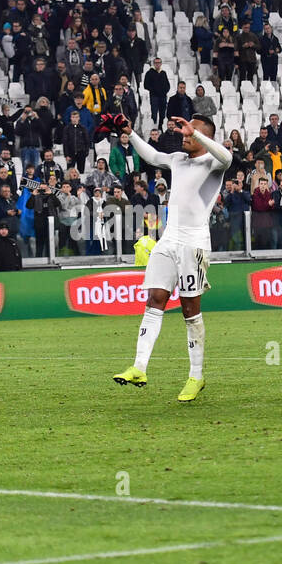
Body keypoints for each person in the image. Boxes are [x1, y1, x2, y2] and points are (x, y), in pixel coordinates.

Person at [112, 115, 232, 401]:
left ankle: (196, 376)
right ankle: (139, 366)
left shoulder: (214, 163)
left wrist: (199, 135)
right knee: (154, 299)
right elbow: (153, 155)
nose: (184, 135)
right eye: (184, 130)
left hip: (194, 242)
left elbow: (227, 156)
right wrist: (131, 132)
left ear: (205, 136)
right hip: (169, 239)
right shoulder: (179, 159)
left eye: (191, 132)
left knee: (190, 310)